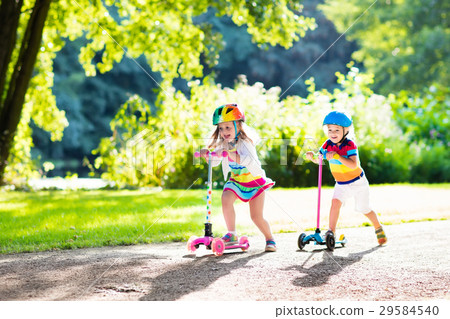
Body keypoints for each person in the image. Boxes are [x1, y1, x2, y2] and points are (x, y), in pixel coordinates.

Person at [199, 103, 277, 252]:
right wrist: (207, 154)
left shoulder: (246, 143)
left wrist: (231, 155)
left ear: (239, 126)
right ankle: (232, 233)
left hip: (254, 182)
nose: (224, 132)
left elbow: (250, 162)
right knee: (225, 198)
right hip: (236, 181)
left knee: (256, 217)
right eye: (221, 128)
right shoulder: (223, 143)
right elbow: (215, 162)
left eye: (228, 127)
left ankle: (270, 238)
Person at [305, 111, 387, 245]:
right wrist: (312, 157)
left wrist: (337, 156)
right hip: (341, 184)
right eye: (330, 129)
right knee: (335, 203)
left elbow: (353, 164)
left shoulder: (350, 145)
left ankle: (378, 227)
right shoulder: (327, 145)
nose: (333, 133)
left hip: (358, 182)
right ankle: (331, 232)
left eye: (337, 130)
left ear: (346, 130)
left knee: (363, 208)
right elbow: (319, 159)